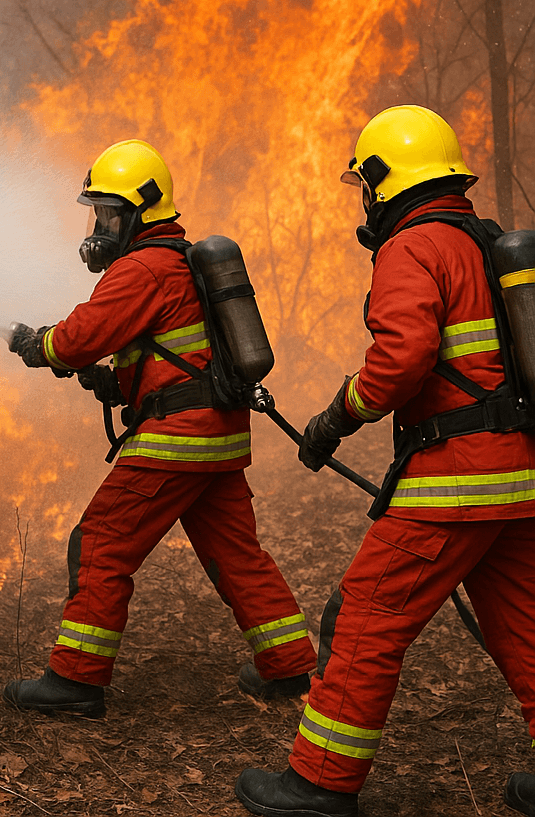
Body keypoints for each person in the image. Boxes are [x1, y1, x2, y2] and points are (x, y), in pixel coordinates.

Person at [235, 105, 535, 817]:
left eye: (364, 186)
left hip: (457, 481)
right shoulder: (484, 240)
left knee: (366, 617)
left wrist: (336, 415)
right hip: (519, 474)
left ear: (382, 181)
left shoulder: (413, 246)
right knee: (527, 622)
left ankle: (319, 782)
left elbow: (400, 361)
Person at [3, 138, 317, 718]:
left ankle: (76, 677)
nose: (98, 224)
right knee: (238, 553)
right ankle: (289, 662)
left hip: (177, 439)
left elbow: (75, 340)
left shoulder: (141, 268)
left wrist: (35, 344)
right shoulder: (181, 261)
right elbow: (170, 353)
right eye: (96, 211)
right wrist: (115, 383)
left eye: (107, 212)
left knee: (101, 543)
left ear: (138, 213)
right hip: (217, 436)